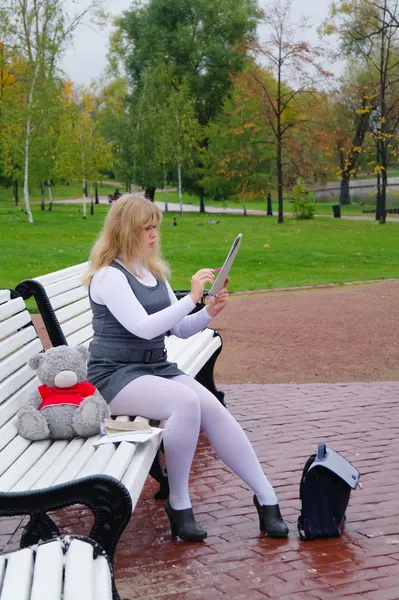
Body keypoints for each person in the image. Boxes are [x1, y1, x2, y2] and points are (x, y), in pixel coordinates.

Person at [83, 194, 288, 542]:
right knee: (185, 402)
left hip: (155, 369)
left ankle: (267, 497)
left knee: (213, 409)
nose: (152, 235)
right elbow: (144, 327)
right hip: (114, 376)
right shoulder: (108, 277)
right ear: (125, 230)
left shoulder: (152, 273)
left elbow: (176, 330)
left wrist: (208, 312)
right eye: (145, 228)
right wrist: (190, 299)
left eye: (155, 227)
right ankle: (179, 503)